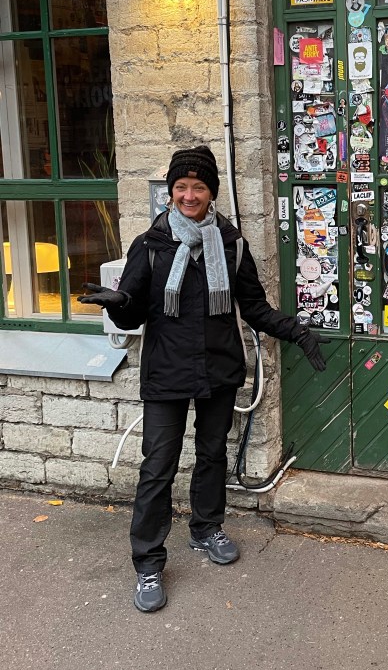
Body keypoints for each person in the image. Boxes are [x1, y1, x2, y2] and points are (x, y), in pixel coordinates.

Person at [78, 146, 327, 614]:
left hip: (218, 367)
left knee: (212, 454)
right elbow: (133, 314)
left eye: (198, 187)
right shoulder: (150, 246)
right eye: (181, 187)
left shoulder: (231, 244)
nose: (189, 195)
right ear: (171, 192)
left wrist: (297, 331)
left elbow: (254, 308)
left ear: (211, 192)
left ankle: (206, 528)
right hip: (166, 371)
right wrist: (119, 303)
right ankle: (148, 563)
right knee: (158, 466)